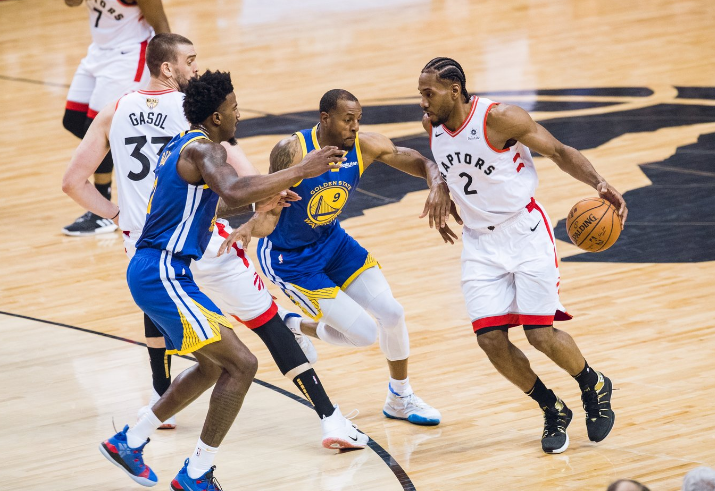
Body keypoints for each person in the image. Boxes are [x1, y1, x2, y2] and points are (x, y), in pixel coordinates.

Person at [63, 36, 366, 453]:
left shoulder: (116, 109)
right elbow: (239, 184)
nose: (195, 69)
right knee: (260, 332)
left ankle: (155, 404)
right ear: (169, 69)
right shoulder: (200, 126)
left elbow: (71, 182)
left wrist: (120, 218)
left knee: (191, 344)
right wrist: (287, 182)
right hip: (199, 246)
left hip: (146, 241)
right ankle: (328, 416)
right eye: (190, 61)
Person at [417, 57, 628, 453]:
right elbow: (444, 163)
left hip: (524, 231)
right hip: (479, 243)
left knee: (539, 334)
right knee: (490, 340)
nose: (423, 103)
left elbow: (559, 151)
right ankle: (552, 408)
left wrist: (600, 183)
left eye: (429, 93)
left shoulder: (500, 119)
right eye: (420, 94)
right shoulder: (432, 126)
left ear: (455, 91)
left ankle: (594, 385)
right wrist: (439, 183)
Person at [221, 89, 451, 426]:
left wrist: (436, 182)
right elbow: (269, 209)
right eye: (347, 120)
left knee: (392, 312)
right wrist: (250, 226)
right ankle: (293, 325)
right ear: (325, 118)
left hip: (333, 242)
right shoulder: (292, 150)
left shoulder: (365, 145)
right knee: (364, 335)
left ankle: (400, 397)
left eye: (358, 119)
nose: (355, 127)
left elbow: (418, 159)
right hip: (291, 259)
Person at [62, 0, 170, 236]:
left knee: (100, 128)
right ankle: (139, 157)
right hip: (99, 52)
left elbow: (161, 23)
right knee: (73, 119)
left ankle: (103, 209)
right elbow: (71, 3)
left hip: (130, 55)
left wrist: (170, 70)